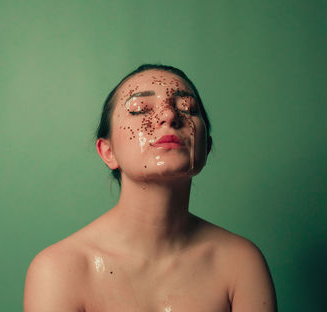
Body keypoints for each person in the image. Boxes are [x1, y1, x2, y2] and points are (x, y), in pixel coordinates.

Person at [23, 64, 277, 311]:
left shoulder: (240, 263)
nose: (169, 115)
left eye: (188, 108)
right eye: (139, 109)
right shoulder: (59, 270)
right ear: (108, 151)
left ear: (206, 147)